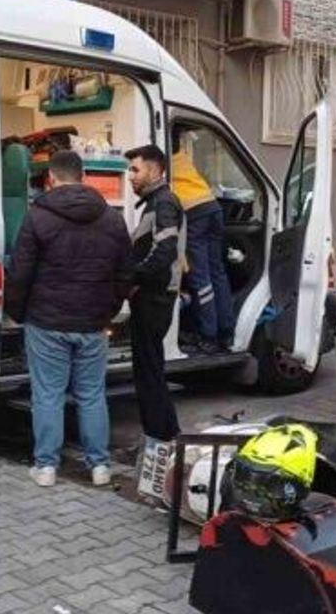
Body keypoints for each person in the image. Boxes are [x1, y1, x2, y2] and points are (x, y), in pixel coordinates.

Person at [5, 150, 133, 488]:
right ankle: (100, 466)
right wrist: (108, 309)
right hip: (92, 322)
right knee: (92, 394)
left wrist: (18, 312)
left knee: (48, 394)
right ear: (83, 176)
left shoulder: (37, 217)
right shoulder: (111, 218)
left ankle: (46, 466)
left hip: (46, 322)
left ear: (50, 178)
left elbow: (20, 272)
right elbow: (125, 272)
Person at [123, 144, 183, 443]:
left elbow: (164, 250)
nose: (130, 176)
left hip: (154, 297)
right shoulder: (155, 202)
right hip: (152, 295)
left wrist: (134, 277)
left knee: (148, 372)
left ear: (155, 170)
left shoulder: (164, 202)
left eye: (135, 169)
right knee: (151, 370)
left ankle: (158, 438)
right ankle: (166, 434)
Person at [171, 125, 235, 354]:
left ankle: (208, 335)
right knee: (217, 272)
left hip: (193, 214)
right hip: (212, 207)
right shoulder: (180, 156)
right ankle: (226, 330)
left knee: (200, 278)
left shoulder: (162, 160)